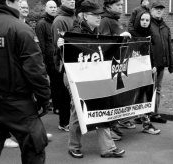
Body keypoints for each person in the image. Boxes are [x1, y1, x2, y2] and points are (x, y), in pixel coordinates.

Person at [59, 0, 125, 158]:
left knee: (101, 107)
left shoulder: (96, 31)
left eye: (100, 15)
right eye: (95, 15)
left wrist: (121, 39)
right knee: (79, 110)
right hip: (74, 77)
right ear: (83, 15)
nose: (99, 18)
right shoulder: (75, 32)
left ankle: (107, 148)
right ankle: (74, 146)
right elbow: (63, 53)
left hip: (91, 76)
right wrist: (61, 44)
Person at [0, 0, 51, 163]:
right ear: (8, 2)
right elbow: (35, 70)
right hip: (18, 104)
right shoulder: (20, 28)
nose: (20, 5)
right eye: (18, 1)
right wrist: (44, 98)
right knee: (34, 147)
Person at [98, 0, 133, 140]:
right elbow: (104, 42)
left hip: (119, 63)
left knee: (116, 96)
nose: (121, 6)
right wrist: (120, 38)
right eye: (117, 5)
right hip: (109, 65)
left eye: (121, 4)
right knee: (110, 98)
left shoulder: (116, 20)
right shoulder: (105, 21)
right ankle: (109, 129)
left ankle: (114, 124)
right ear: (108, 6)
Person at [128, 11, 160, 135]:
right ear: (138, 21)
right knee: (135, 97)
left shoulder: (150, 34)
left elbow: (151, 52)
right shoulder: (132, 35)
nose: (145, 22)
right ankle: (125, 121)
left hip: (147, 70)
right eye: (142, 20)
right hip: (134, 72)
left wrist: (154, 65)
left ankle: (146, 122)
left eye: (147, 20)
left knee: (146, 96)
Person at [51, 0, 76, 132]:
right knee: (65, 95)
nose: (72, 1)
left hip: (75, 61)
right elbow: (57, 43)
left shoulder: (75, 17)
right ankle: (64, 122)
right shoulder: (59, 20)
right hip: (64, 63)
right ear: (62, 1)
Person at [149, 1, 173, 123]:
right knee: (150, 89)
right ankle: (145, 114)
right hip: (150, 65)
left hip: (161, 64)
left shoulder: (165, 27)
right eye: (156, 9)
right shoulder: (148, 25)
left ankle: (154, 113)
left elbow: (169, 47)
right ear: (151, 10)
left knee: (157, 89)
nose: (159, 11)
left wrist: (171, 64)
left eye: (161, 9)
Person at [35, 0, 59, 115]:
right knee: (51, 83)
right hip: (48, 59)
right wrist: (43, 61)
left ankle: (57, 105)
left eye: (55, 7)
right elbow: (41, 44)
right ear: (46, 8)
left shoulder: (57, 21)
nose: (54, 9)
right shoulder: (42, 24)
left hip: (57, 58)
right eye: (51, 7)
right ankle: (50, 105)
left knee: (57, 83)